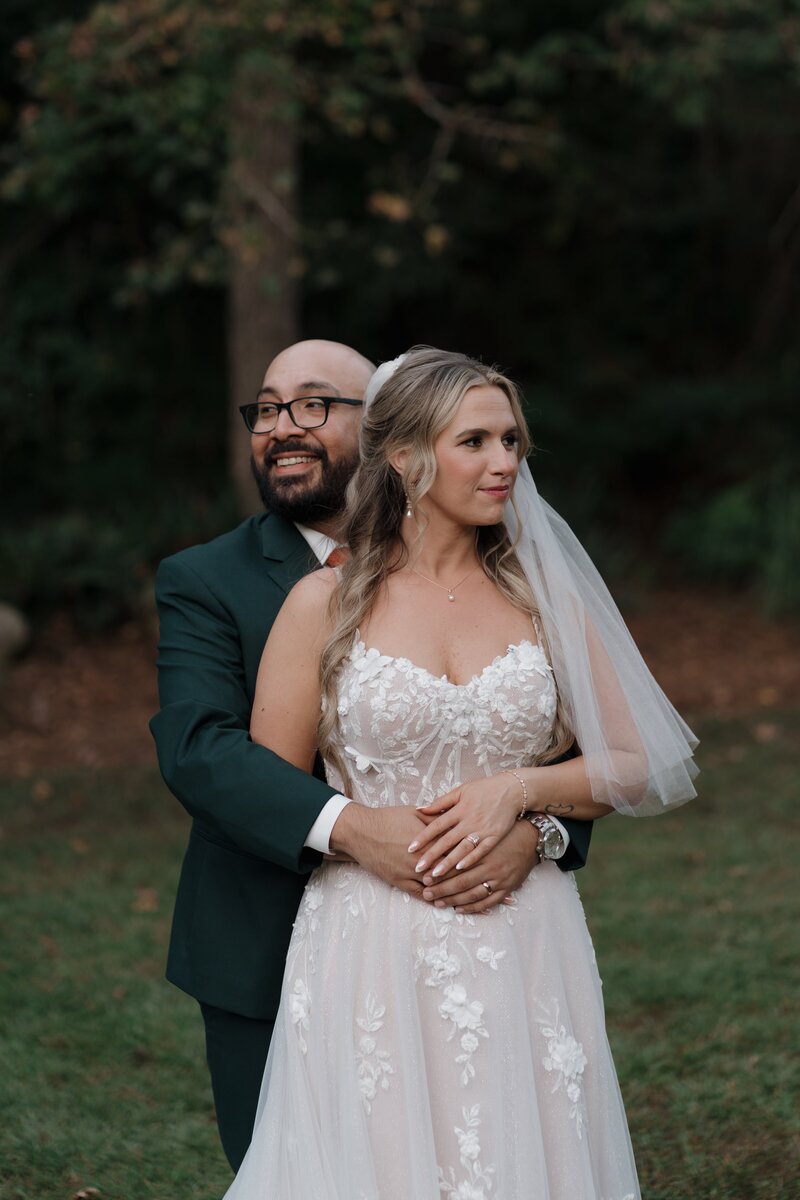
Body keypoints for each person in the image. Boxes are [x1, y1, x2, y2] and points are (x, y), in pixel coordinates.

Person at [223, 346, 698, 1200]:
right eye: (474, 440)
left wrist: (523, 797)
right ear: (405, 458)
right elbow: (271, 787)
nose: (505, 461)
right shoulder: (323, 605)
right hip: (371, 934)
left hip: (525, 931)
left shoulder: (539, 598)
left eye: (512, 439)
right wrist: (364, 836)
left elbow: (635, 760)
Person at [150, 339, 594, 1173]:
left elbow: (555, 748)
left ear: (386, 429)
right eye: (268, 408)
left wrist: (537, 829)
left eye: (315, 405)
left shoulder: (509, 575)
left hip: (499, 935)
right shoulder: (210, 578)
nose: (283, 427)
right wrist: (355, 830)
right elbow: (202, 753)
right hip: (273, 943)